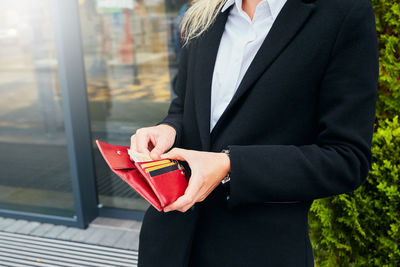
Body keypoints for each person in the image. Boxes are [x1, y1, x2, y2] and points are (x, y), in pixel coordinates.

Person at [131, 0, 379, 266]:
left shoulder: (342, 12)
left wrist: (230, 166)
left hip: (259, 252)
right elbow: (184, 105)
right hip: (169, 242)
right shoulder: (205, 12)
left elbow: (346, 158)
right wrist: (167, 129)